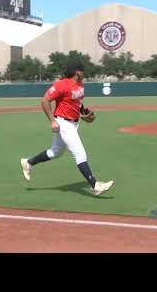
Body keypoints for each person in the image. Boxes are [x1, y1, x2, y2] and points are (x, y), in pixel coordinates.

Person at [20, 58, 114, 196]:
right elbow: (45, 100)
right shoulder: (62, 85)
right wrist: (52, 121)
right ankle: (95, 185)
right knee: (80, 153)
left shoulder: (80, 85)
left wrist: (85, 112)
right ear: (77, 72)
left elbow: (77, 103)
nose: (84, 73)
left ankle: (28, 162)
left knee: (56, 152)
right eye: (82, 70)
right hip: (63, 123)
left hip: (74, 123)